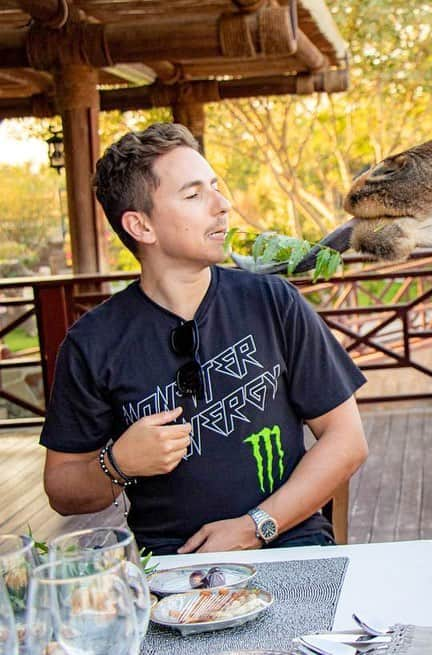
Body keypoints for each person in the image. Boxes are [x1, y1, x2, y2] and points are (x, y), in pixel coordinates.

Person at [40, 123, 368, 556]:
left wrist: (256, 526)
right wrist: (117, 464)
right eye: (194, 195)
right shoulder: (93, 343)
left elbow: (346, 440)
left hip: (291, 545)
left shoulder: (272, 302)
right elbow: (62, 487)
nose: (222, 205)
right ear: (141, 226)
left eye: (215, 187)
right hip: (176, 570)